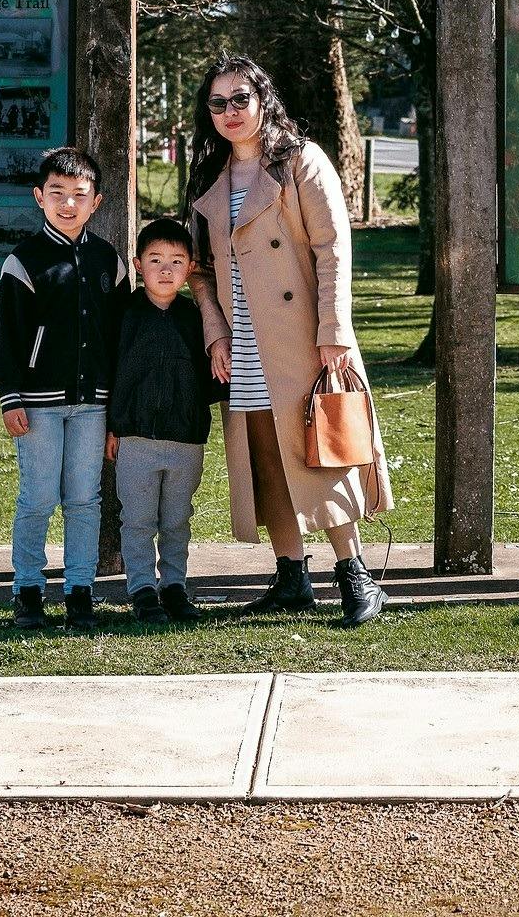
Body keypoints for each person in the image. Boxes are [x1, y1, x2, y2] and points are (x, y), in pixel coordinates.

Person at [184, 55, 392, 627]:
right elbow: (199, 268)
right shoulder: (208, 175)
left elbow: (333, 248)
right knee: (263, 457)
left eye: (239, 99)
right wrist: (214, 331)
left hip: (302, 335)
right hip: (242, 340)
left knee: (319, 451)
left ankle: (356, 577)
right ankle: (291, 575)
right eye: (217, 103)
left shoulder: (301, 160)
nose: (229, 112)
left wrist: (334, 332)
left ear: (262, 99)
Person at [0, 146, 130, 633]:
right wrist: (11, 396)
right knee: (37, 497)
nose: (68, 204)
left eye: (79, 195)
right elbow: (7, 338)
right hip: (39, 407)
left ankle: (80, 591)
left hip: (94, 406)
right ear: (39, 197)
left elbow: (119, 338)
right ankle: (27, 591)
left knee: (84, 499)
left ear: (96, 201)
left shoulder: (108, 261)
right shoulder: (23, 262)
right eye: (57, 194)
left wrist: (119, 409)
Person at [104, 216, 223, 624]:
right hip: (135, 438)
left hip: (186, 440)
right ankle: (141, 589)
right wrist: (111, 425)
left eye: (176, 261)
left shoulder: (197, 318)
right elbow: (109, 373)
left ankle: (174, 586)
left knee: (176, 519)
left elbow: (215, 377)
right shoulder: (123, 316)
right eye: (155, 260)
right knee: (137, 519)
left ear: (190, 267)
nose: (166, 269)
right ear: (138, 265)